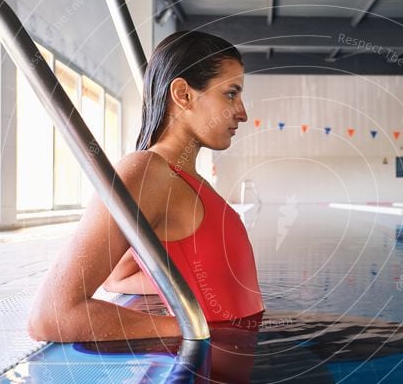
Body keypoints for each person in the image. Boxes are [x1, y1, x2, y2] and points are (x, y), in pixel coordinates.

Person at [27, 31, 264, 343]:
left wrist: (195, 284)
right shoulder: (148, 172)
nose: (243, 113)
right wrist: (190, 327)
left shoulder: (184, 178)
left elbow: (119, 276)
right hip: (206, 373)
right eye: (231, 94)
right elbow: (52, 316)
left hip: (234, 362)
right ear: (183, 94)